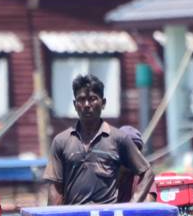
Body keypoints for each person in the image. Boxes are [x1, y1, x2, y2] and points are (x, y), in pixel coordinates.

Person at [44, 74, 155, 205]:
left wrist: (132, 205)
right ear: (75, 105)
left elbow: (147, 172)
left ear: (103, 103)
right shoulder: (61, 141)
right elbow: (55, 188)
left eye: (92, 99)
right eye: (81, 99)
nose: (86, 104)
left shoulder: (118, 138)